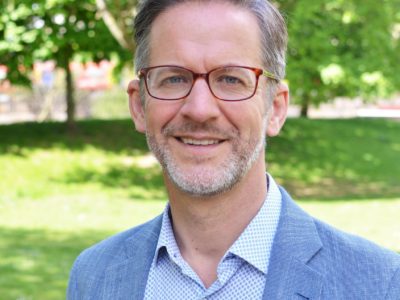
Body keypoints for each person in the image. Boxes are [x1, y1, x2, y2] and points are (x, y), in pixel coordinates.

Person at [67, 0, 400, 299]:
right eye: (174, 79)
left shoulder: (379, 284)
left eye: (230, 79)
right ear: (139, 106)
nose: (199, 109)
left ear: (277, 109)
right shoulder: (94, 277)